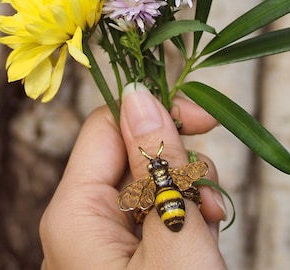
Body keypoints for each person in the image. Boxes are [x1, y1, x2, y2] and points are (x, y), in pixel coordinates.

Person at [39, 83, 228, 269]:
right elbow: (199, 172)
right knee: (197, 193)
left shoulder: (144, 186)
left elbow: (130, 201)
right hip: (174, 202)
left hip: (163, 203)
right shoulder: (177, 175)